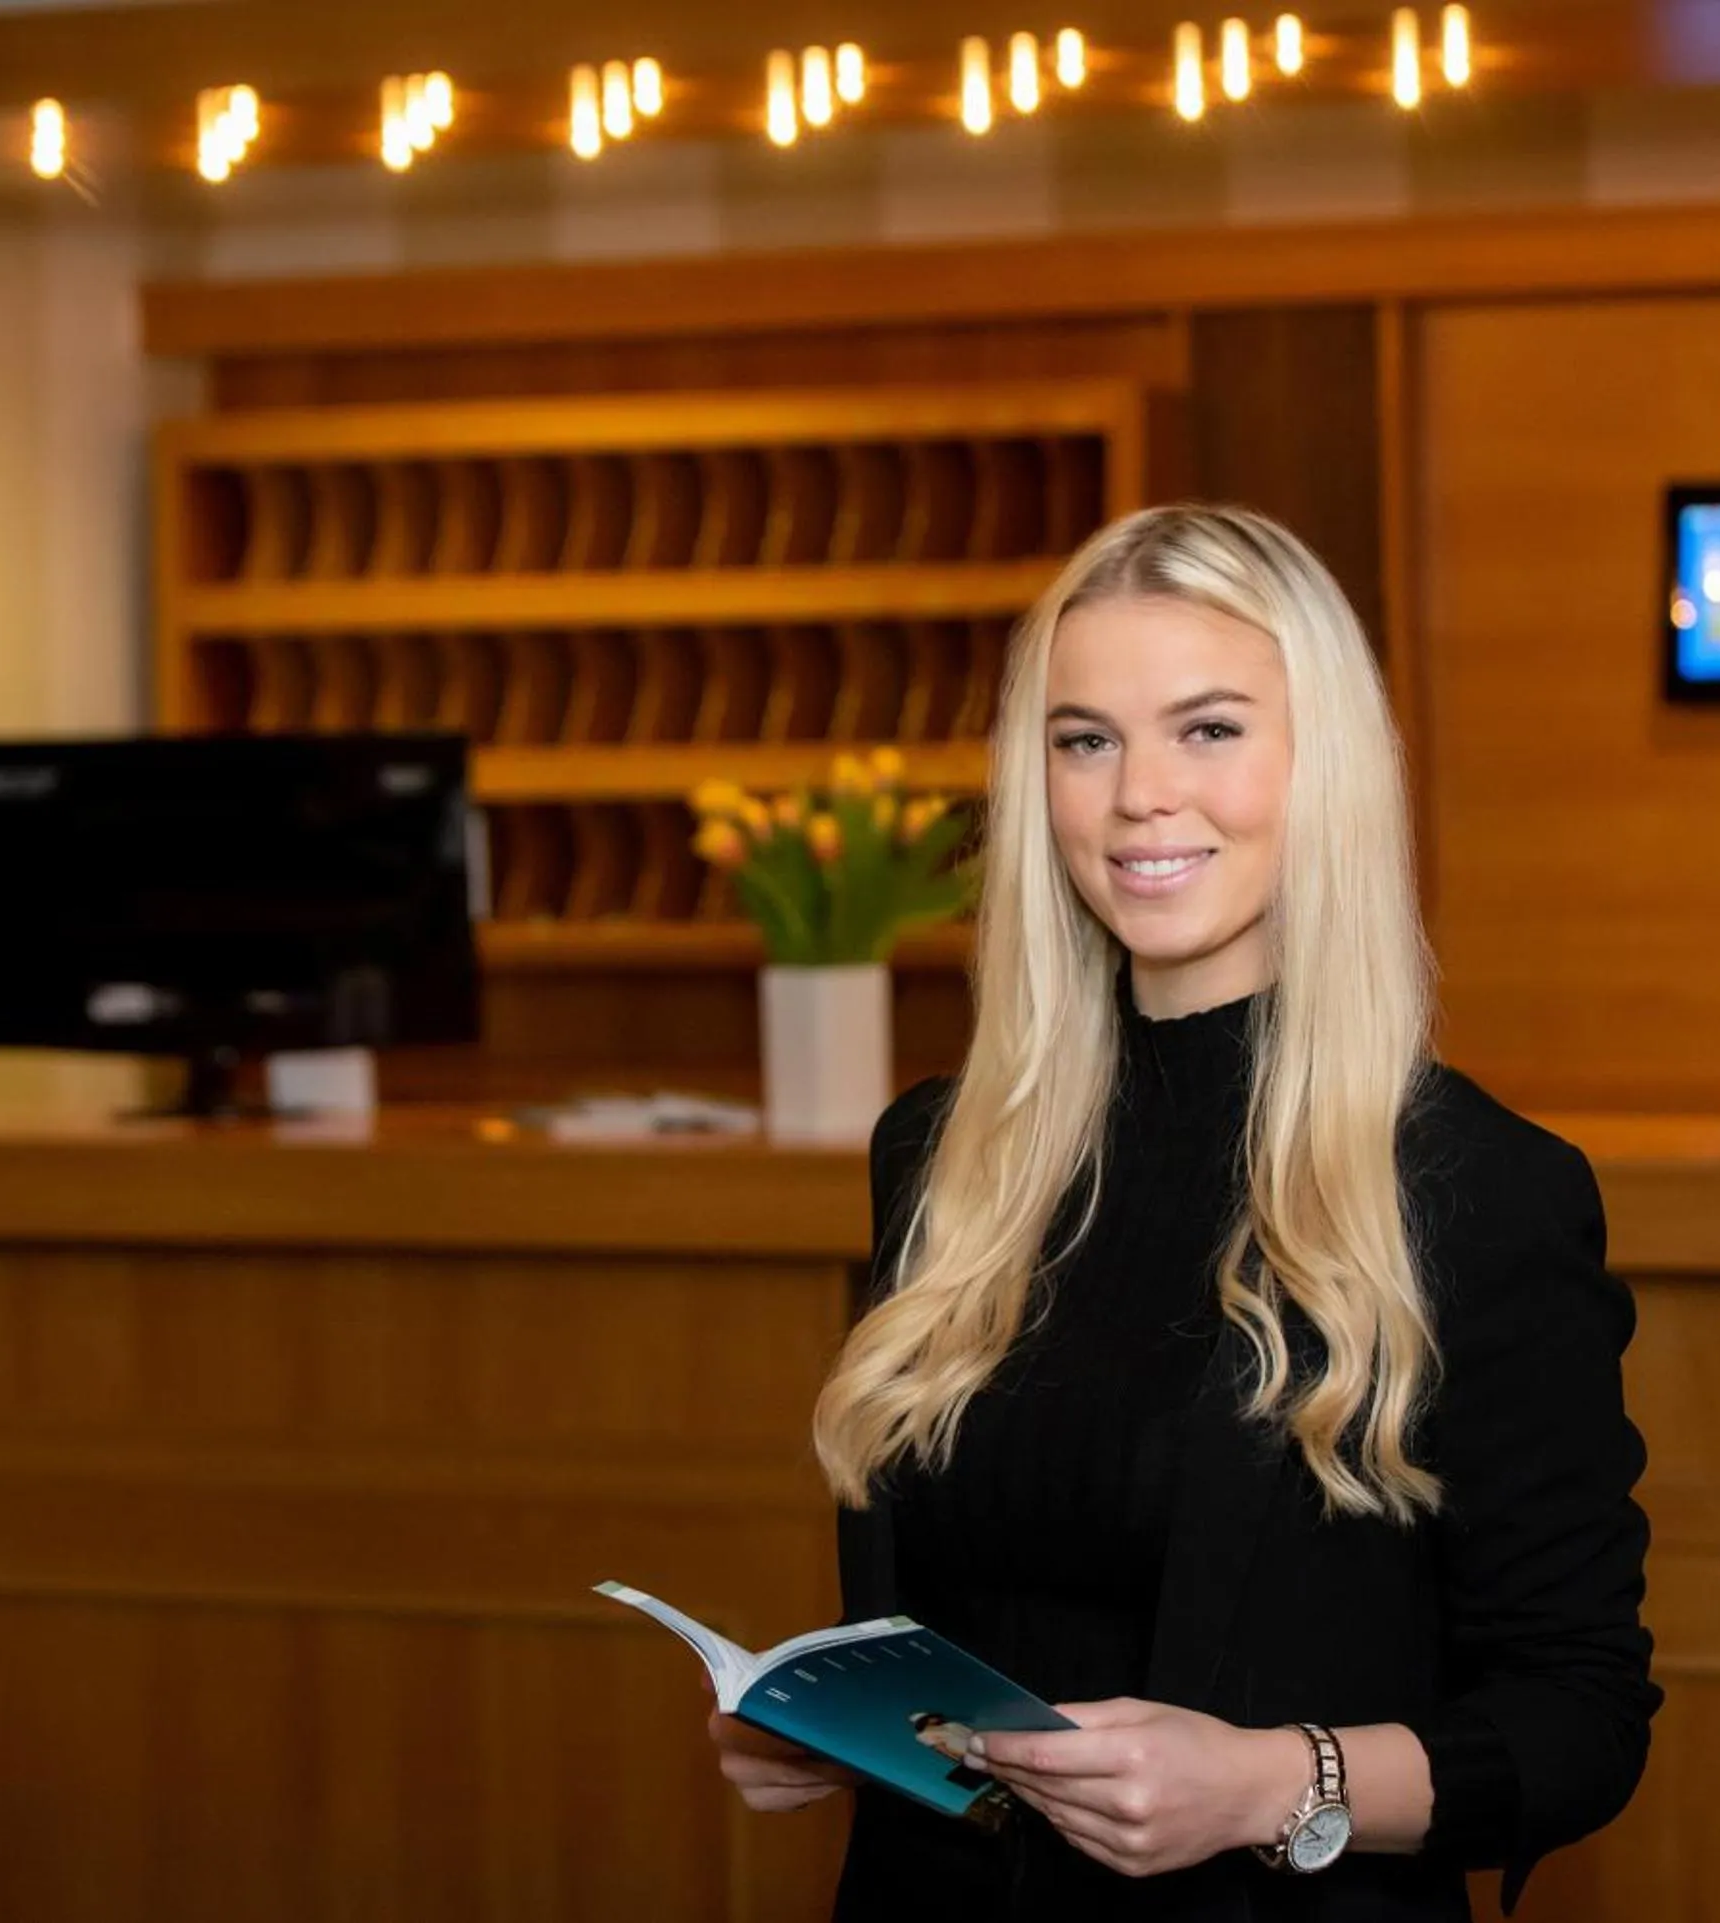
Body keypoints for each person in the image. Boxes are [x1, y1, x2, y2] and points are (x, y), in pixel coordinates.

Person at [706, 504, 1658, 1920]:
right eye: (1085, 739)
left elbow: (1580, 1719)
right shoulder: (940, 1153)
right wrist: (839, 1721)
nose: (1138, 792)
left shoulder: (1478, 1188)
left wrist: (1277, 1780)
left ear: (1320, 767)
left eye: (1208, 729)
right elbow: (977, 1615)